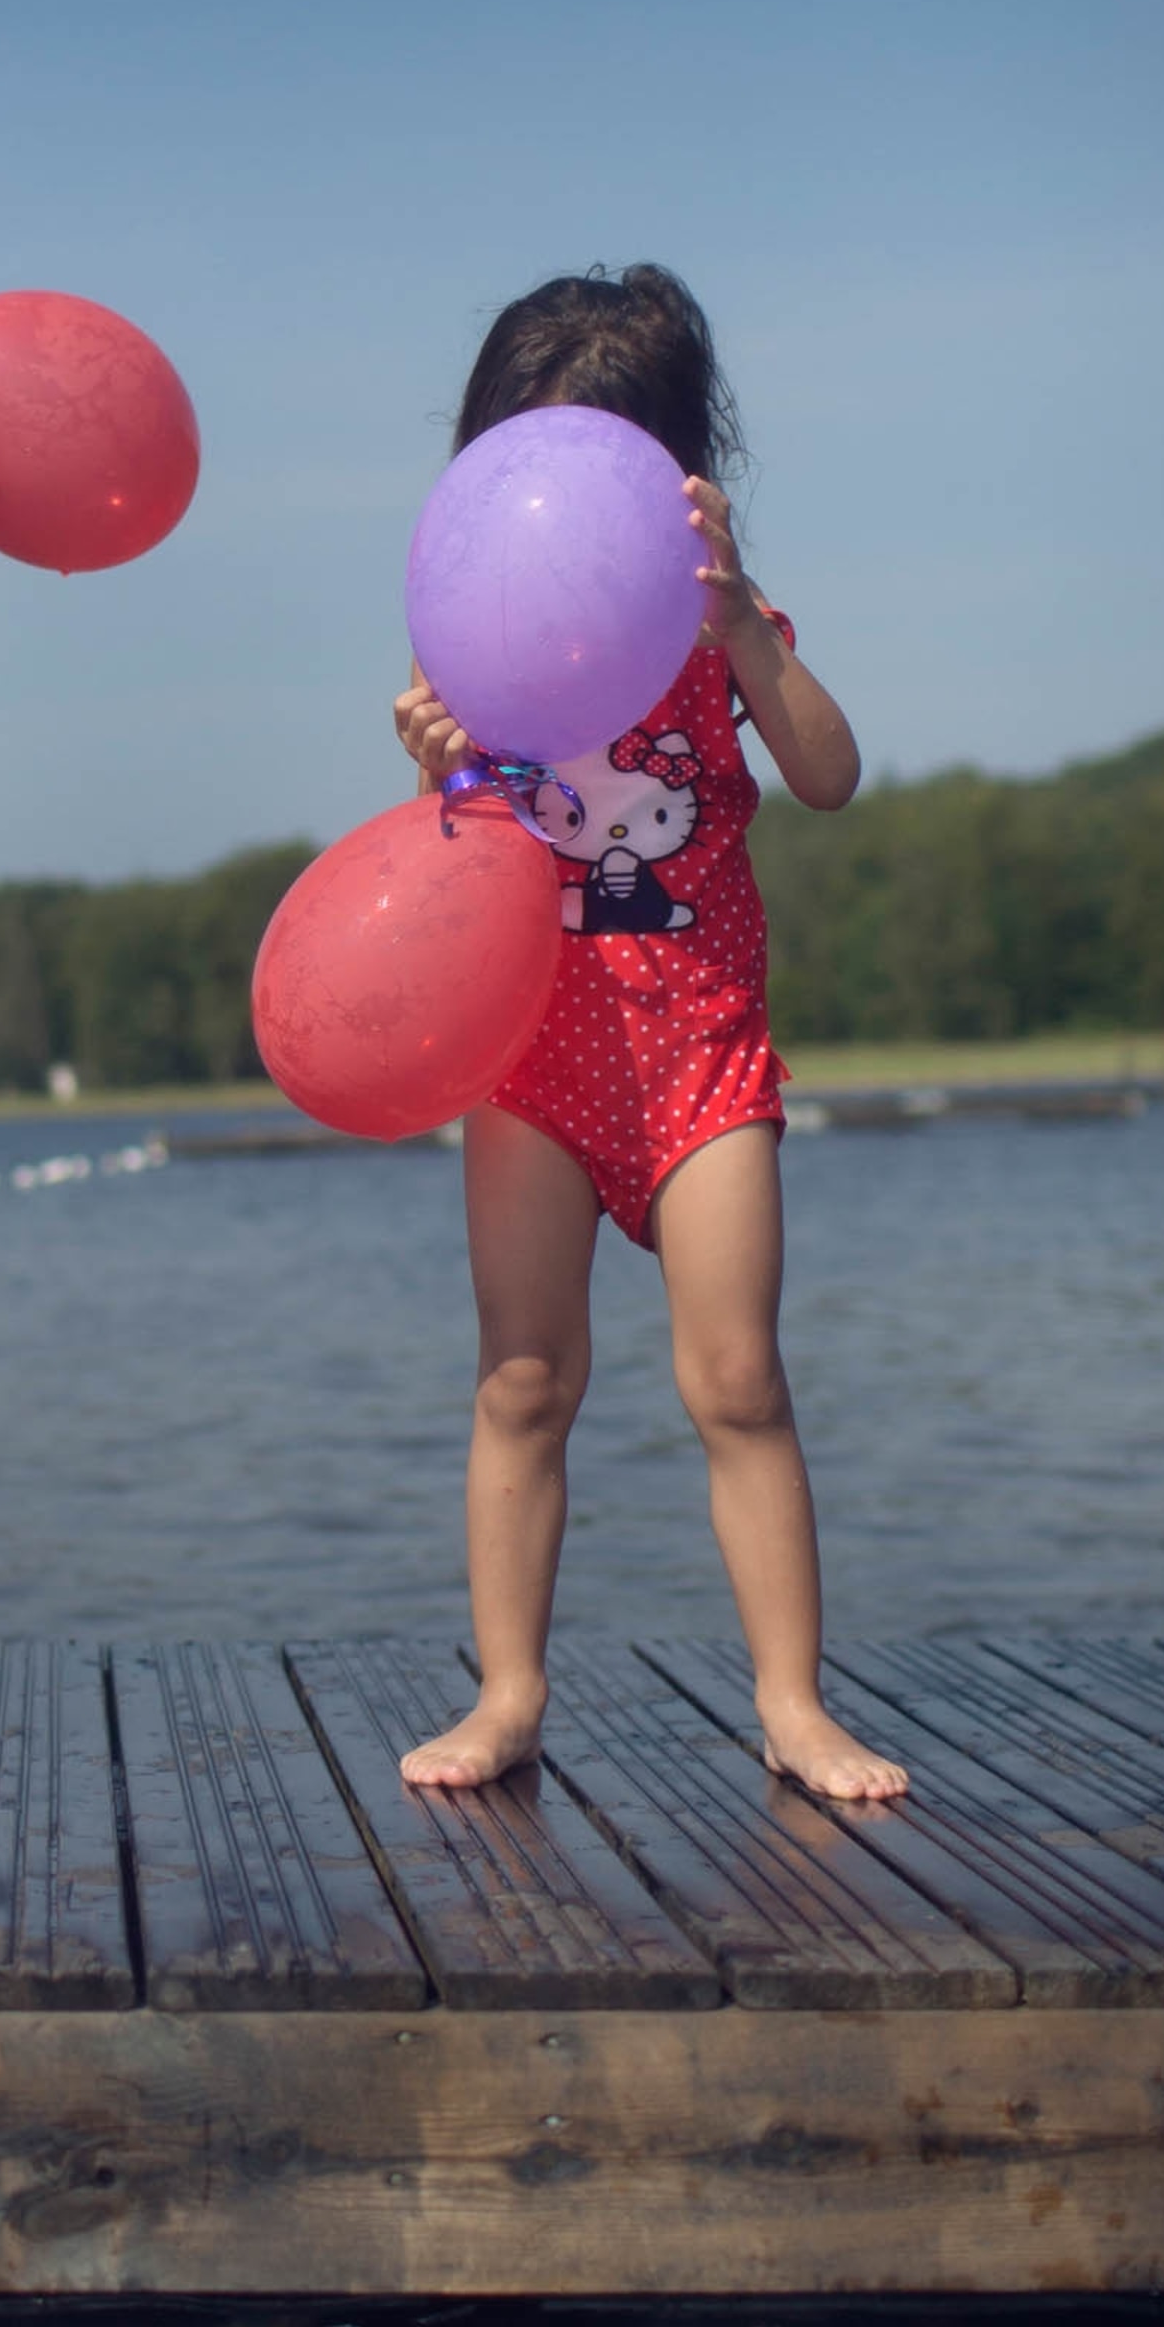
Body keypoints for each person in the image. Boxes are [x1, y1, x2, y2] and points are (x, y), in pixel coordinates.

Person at [392, 267, 907, 1800]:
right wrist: (434, 763)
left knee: (737, 1380)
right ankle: (506, 1696)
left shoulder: (717, 627)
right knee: (522, 1379)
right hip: (533, 1060)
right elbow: (462, 869)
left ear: (677, 475)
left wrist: (744, 627)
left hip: (701, 1053)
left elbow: (828, 774)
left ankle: (793, 1705)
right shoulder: (477, 633)